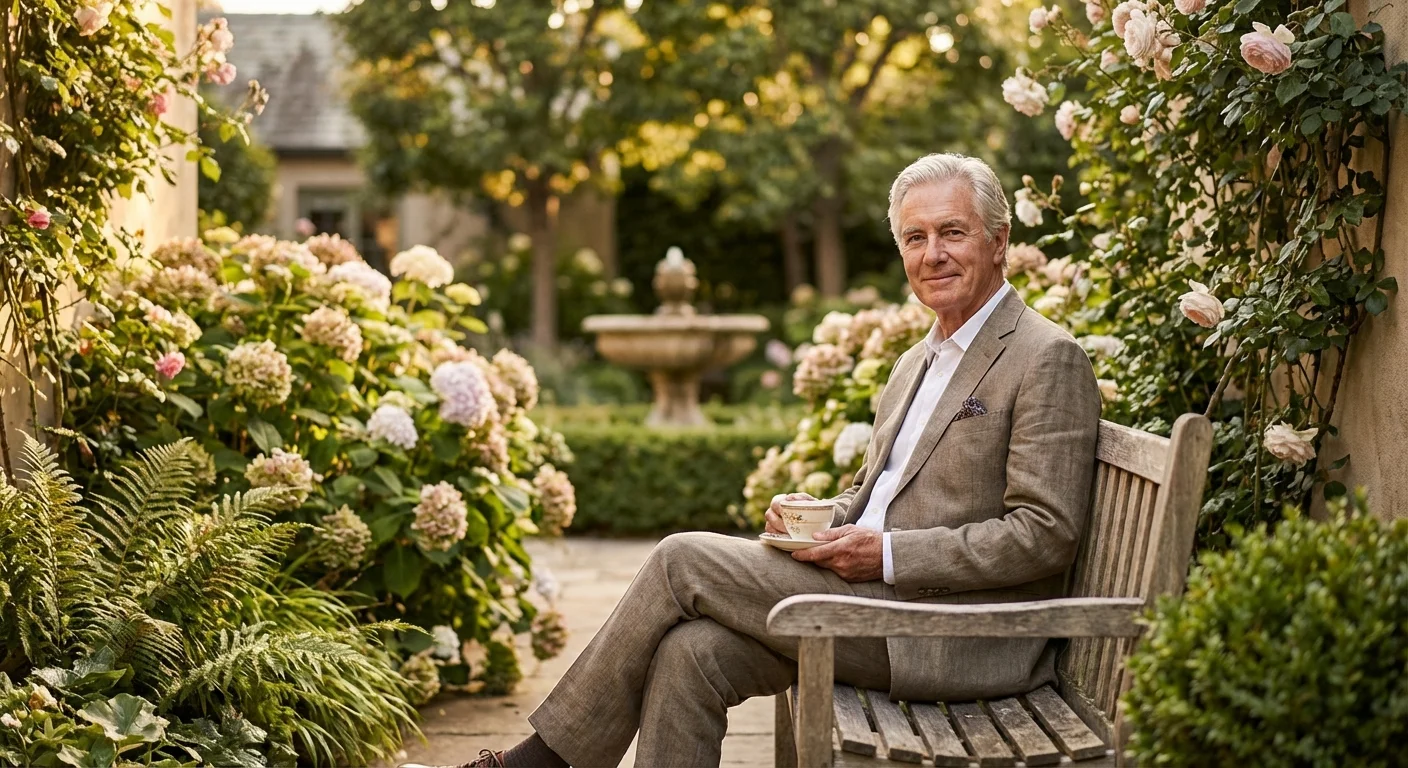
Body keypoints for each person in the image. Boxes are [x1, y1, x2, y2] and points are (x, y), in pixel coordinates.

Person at [412, 153, 1102, 768]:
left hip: (952, 634)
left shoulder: (1044, 356)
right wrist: (820, 520)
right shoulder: (916, 362)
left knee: (680, 559)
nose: (933, 254)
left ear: (998, 241)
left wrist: (887, 555)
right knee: (690, 655)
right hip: (874, 608)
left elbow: (1045, 534)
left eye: (952, 232)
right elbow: (876, 494)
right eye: (915, 238)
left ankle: (541, 763)